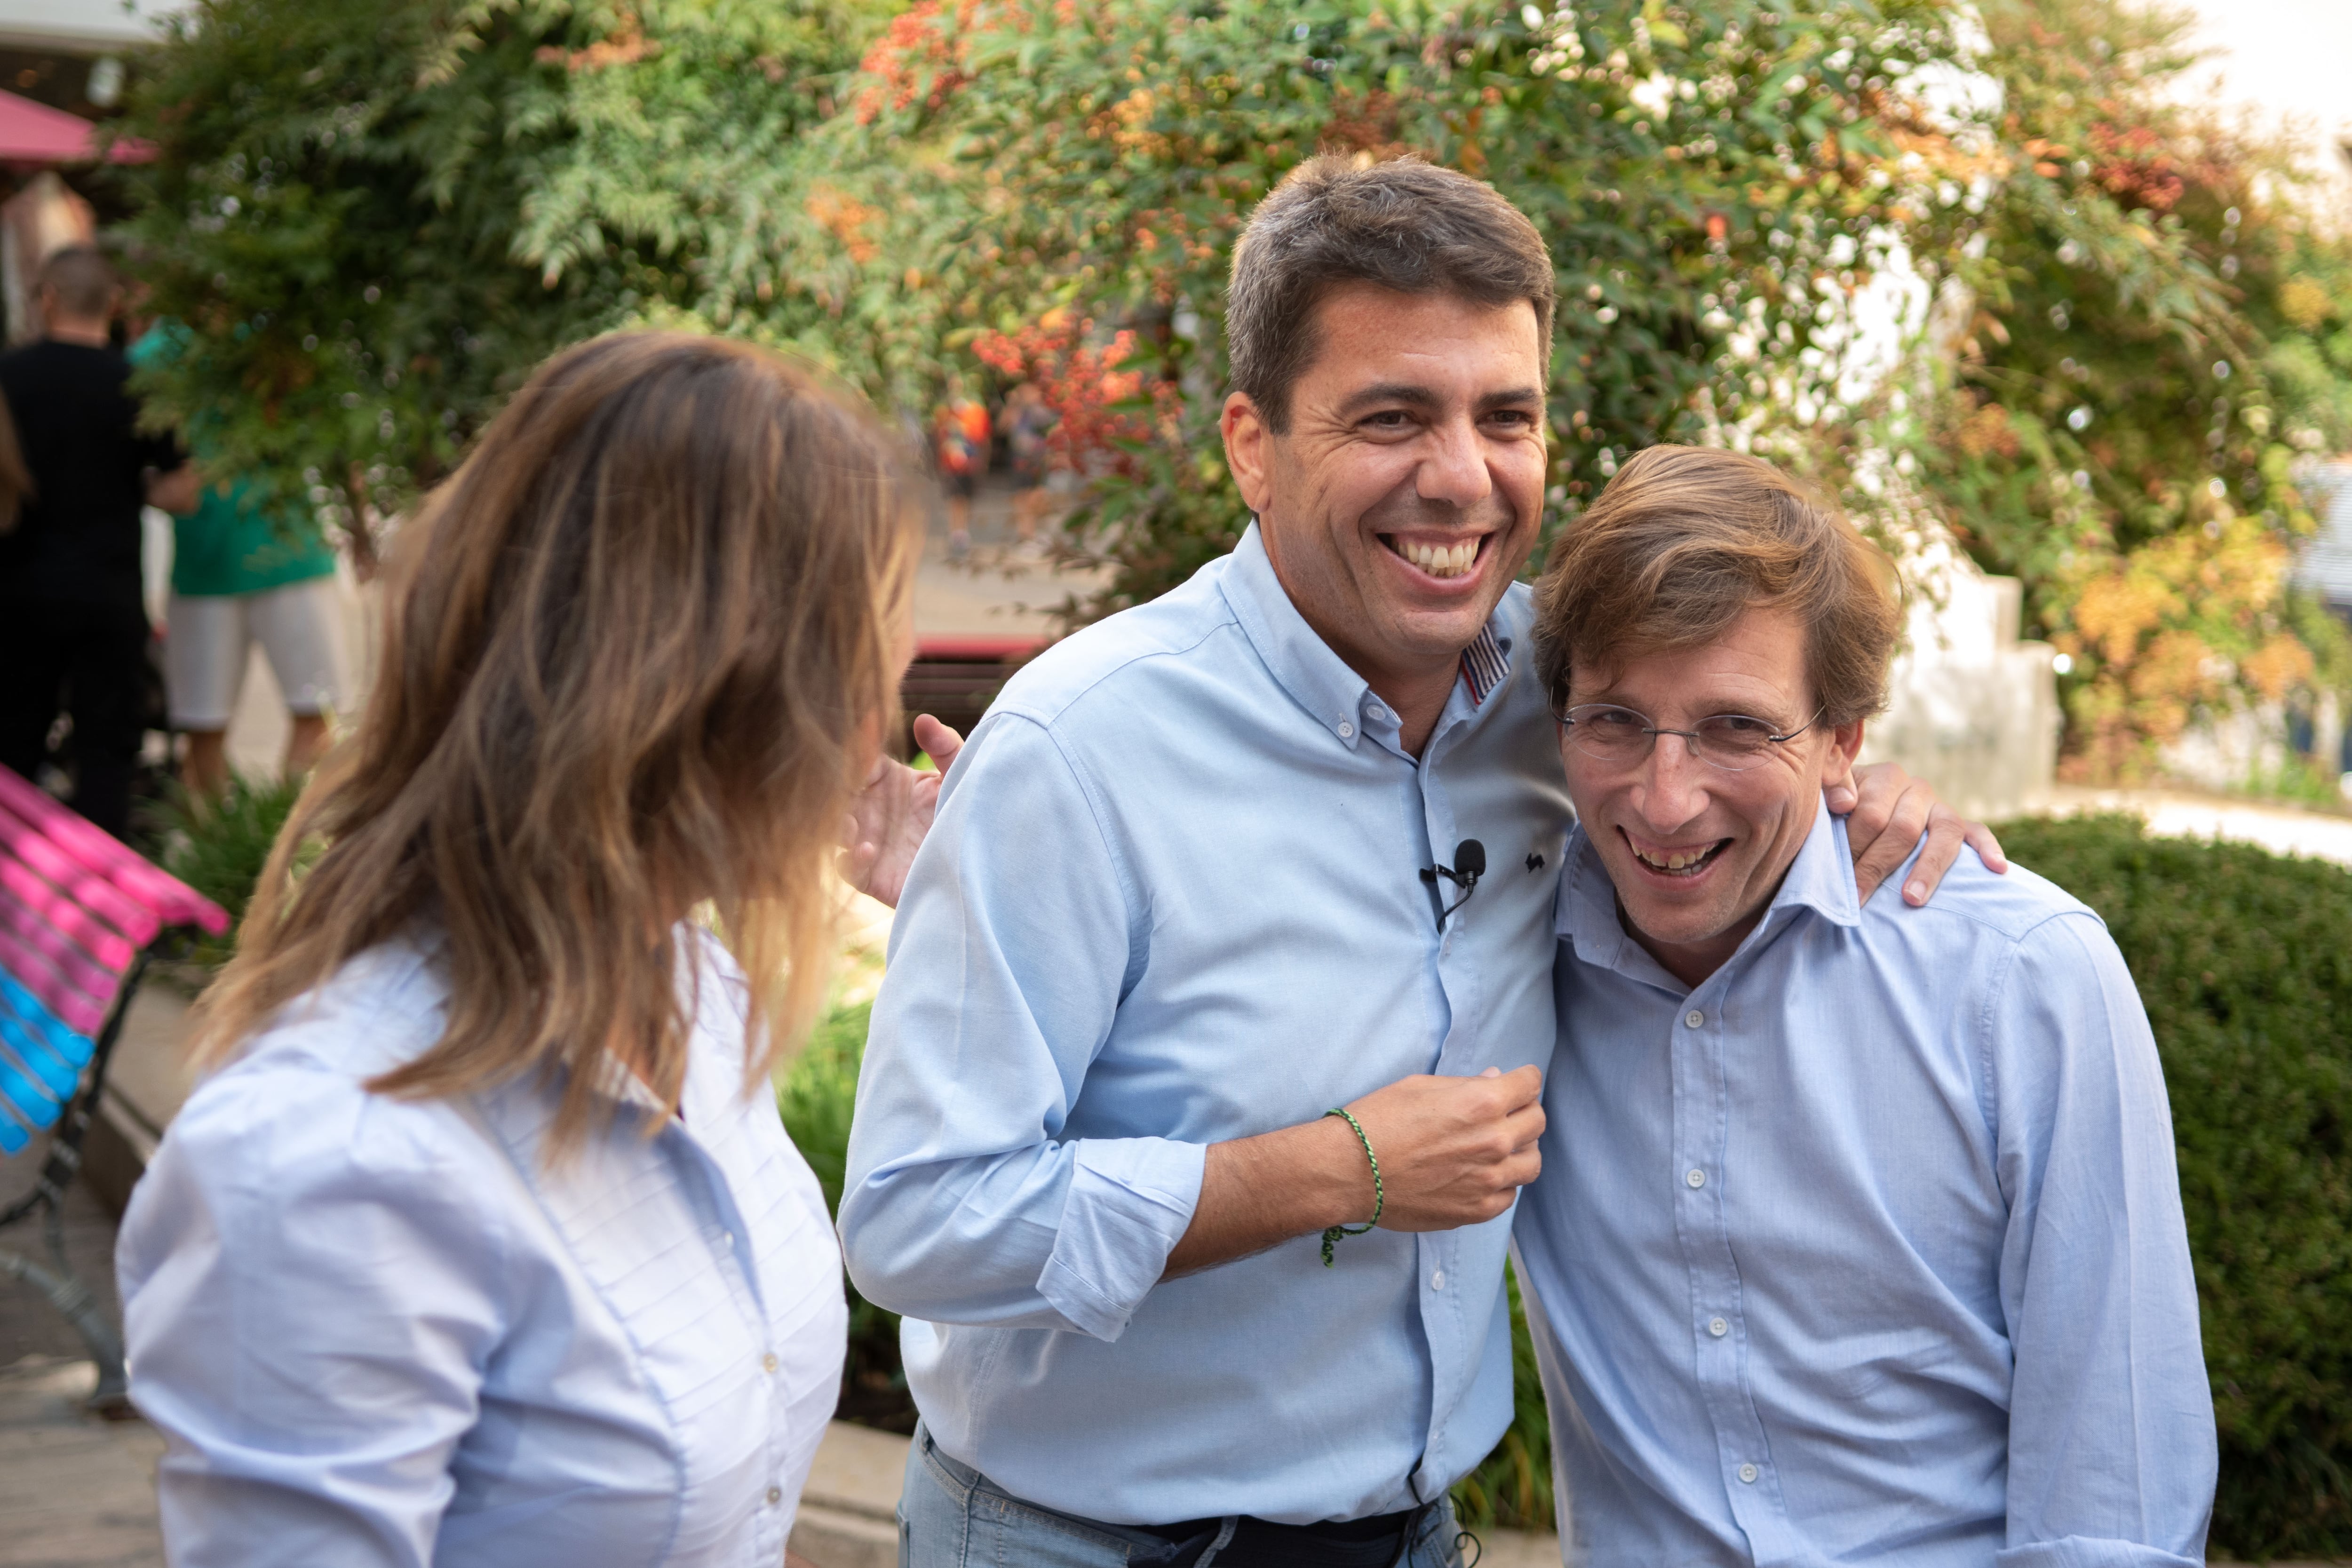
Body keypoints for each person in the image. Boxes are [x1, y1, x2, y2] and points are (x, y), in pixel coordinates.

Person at [840, 155, 1998, 1568]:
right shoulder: (1083, 750)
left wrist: (1861, 792)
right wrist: (1332, 1172)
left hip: (1413, 1540)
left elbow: (1720, 758)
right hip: (1077, 1543)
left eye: (1503, 416)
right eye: (1392, 416)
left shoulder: (1562, 706)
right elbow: (914, 1222)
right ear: (1252, 446)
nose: (1459, 477)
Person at [117, 333, 918, 1567]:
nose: (883, 728)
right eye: (868, 668)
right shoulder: (330, 1155)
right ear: (714, 694)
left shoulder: (692, 991)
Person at [1513, 446, 2215, 1566]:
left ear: (1844, 738)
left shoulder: (2023, 978)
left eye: (1738, 728)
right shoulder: (1503, 951)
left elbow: (2112, 1480)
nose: (1663, 795)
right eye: (1614, 720)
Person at [0, 245, 195, 839]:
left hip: (19, 593)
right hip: (109, 592)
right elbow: (183, 494)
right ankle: (102, 903)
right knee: (107, 757)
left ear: (48, 299)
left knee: (11, 749)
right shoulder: (137, 381)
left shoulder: (10, 375)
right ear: (113, 305)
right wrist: (134, 486)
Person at [130, 321, 350, 796]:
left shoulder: (276, 335)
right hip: (219, 565)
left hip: (285, 555)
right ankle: (243, 855)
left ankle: (280, 850)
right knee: (207, 732)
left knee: (310, 718)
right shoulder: (152, 355)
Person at [934, 379, 989, 560]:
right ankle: (956, 533)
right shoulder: (944, 413)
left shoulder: (975, 412)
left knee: (966, 499)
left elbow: (982, 439)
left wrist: (982, 462)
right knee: (954, 499)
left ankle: (963, 531)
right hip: (951, 465)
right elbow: (940, 439)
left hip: (969, 465)